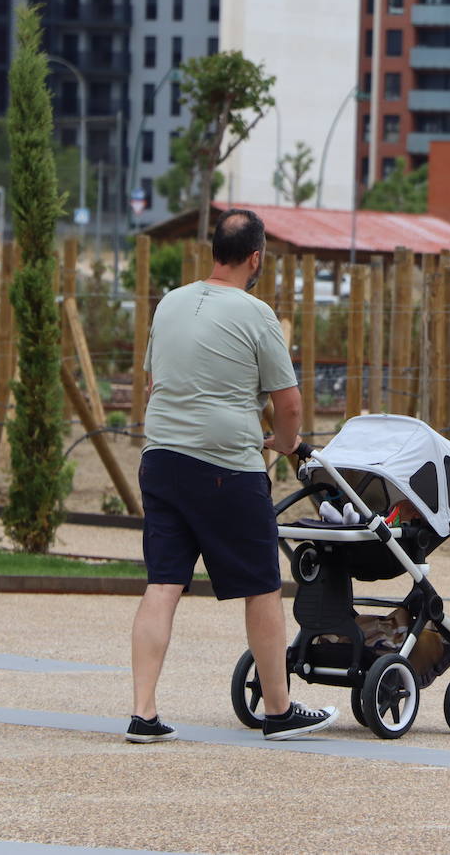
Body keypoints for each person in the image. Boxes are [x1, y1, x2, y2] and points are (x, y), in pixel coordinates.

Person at [126, 209, 339, 743]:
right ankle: (278, 709)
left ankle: (143, 712)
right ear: (256, 257)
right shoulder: (257, 313)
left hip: (161, 460)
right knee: (261, 585)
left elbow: (155, 382)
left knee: (164, 583)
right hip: (226, 467)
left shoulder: (169, 302)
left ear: (212, 251)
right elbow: (287, 404)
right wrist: (286, 445)